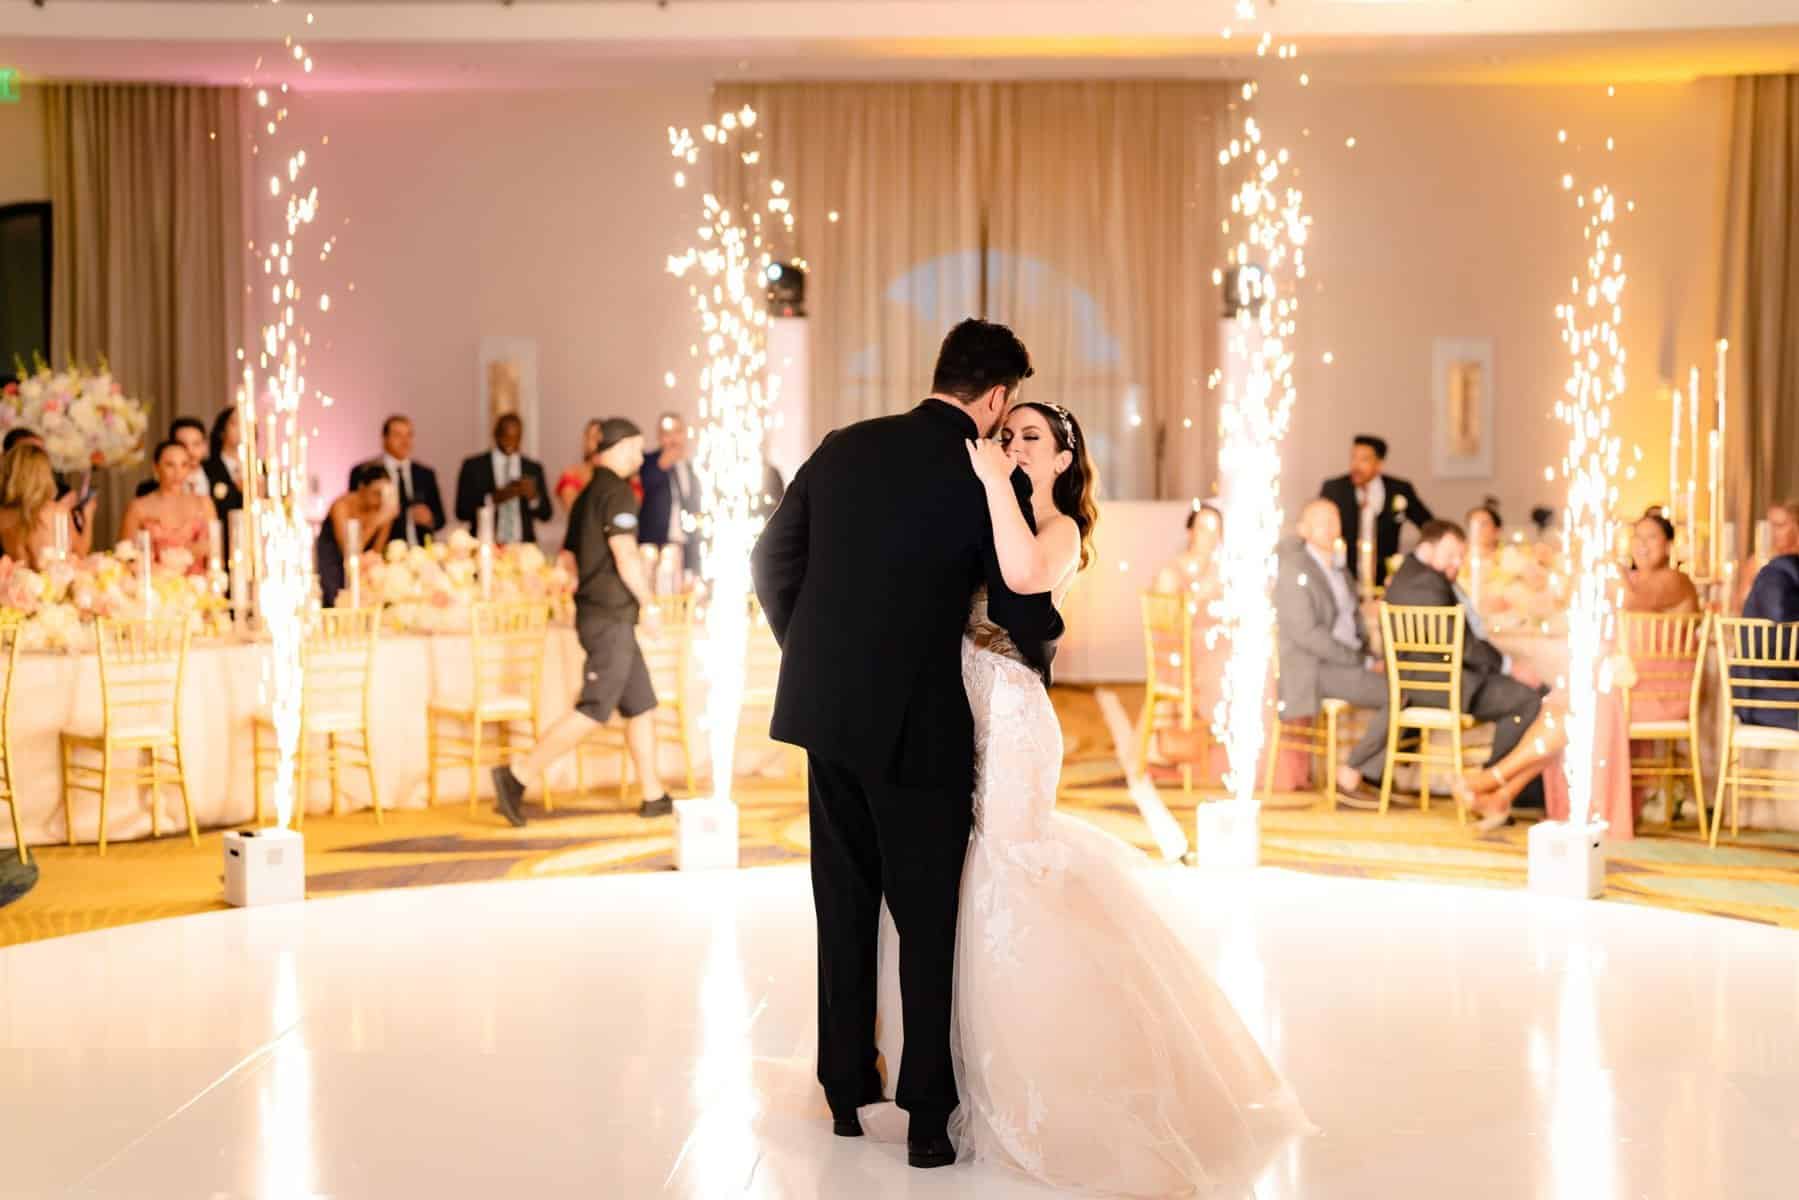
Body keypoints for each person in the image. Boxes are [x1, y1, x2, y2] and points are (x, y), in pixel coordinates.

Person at [752, 319, 1061, 1169]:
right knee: (926, 921)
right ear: (995, 397)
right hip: (918, 719)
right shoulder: (980, 473)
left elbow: (770, 559)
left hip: (824, 712)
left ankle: (846, 1090)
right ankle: (928, 1118)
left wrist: (813, 654)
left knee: (841, 902)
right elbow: (1020, 606)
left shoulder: (843, 446)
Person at [492, 418, 674, 825]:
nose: (638, 457)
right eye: (635, 448)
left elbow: (569, 558)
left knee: (640, 704)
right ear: (620, 446)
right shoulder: (619, 493)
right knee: (593, 708)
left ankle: (653, 793)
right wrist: (649, 602)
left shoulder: (589, 492)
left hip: (601, 615)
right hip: (610, 616)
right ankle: (517, 775)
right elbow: (625, 555)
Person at [1383, 520, 1547, 823]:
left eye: (1461, 555)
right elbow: (1460, 643)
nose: (1458, 563)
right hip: (1441, 684)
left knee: (1542, 695)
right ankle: (1488, 789)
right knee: (1529, 700)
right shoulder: (1425, 582)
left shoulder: (1416, 574)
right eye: (1451, 555)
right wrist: (1509, 667)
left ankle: (1519, 791)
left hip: (1446, 678)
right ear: (1427, 548)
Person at [1274, 498, 1391, 807]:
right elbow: (1307, 634)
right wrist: (1362, 661)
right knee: (1399, 694)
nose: (1330, 528)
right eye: (1321, 521)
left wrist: (1370, 657)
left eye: (1334, 520)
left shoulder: (1338, 567)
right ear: (1303, 529)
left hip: (1345, 661)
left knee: (1405, 685)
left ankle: (1364, 774)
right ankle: (1351, 773)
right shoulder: (1294, 569)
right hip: (1315, 668)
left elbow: (1351, 621)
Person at [1320, 434, 1433, 587]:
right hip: (1344, 575)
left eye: (1364, 460)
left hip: (1385, 578)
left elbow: (1429, 526)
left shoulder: (1399, 490)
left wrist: (1416, 560)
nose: (1356, 465)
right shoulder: (1334, 489)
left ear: (1379, 464)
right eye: (1353, 458)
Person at [1739, 501, 1799, 733]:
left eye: (1780, 525)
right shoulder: (1775, 574)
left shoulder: (1780, 570)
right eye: (1772, 525)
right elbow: (1784, 624)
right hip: (1767, 697)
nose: (1774, 534)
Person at [119, 440, 218, 572]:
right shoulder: (138, 507)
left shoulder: (204, 503)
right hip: (156, 587)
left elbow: (216, 555)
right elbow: (125, 558)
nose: (178, 473)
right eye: (170, 465)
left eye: (184, 465)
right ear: (156, 467)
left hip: (200, 587)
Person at [454, 413, 551, 545]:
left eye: (516, 438)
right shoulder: (474, 466)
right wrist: (491, 499)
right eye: (506, 437)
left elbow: (546, 514)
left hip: (523, 546)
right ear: (496, 435)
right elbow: (461, 511)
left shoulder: (532, 468)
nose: (510, 443)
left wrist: (533, 498)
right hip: (486, 544)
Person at [2, 428, 97, 552]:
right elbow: (80, 552)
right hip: (50, 571)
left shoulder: (3, 514)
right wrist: (88, 515)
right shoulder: (56, 512)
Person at [356, 415, 443, 548]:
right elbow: (356, 517)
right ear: (385, 439)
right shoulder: (366, 472)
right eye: (398, 435)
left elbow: (441, 519)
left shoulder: (425, 474)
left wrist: (429, 519)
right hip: (381, 550)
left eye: (409, 435)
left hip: (419, 551)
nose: (405, 441)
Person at [318, 462, 397, 607]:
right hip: (333, 561)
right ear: (362, 487)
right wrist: (376, 521)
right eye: (376, 492)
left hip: (361, 564)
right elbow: (349, 550)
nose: (380, 498)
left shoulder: (382, 509)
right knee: (336, 599)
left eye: (384, 493)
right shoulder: (341, 506)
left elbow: (375, 553)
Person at [639, 412, 701, 577]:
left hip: (686, 545)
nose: (673, 439)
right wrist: (661, 465)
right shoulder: (647, 461)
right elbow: (643, 486)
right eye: (667, 433)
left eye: (678, 432)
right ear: (659, 437)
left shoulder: (691, 468)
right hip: (654, 545)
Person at [0, 443, 68, 569]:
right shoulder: (57, 511)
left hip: (14, 585)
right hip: (51, 586)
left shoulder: (3, 514)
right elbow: (64, 559)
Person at [1623, 511, 1700, 616]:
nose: (1642, 543)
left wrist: (1613, 570)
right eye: (1637, 536)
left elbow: (1631, 603)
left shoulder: (1676, 580)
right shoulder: (1631, 578)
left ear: (1668, 545)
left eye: (1651, 537)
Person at [1153, 501, 1223, 598]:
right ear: (1191, 531)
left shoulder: (1219, 573)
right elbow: (1160, 612)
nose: (1210, 536)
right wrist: (1200, 594)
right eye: (1203, 529)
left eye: (1215, 530)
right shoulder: (1170, 575)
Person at [204, 407, 246, 562]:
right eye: (235, 423)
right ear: (222, 430)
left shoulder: (260, 469)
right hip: (221, 544)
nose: (242, 429)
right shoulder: (208, 468)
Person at [134, 417, 211, 499]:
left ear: (205, 446)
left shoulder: (219, 476)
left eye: (196, 444)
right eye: (182, 445)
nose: (190, 451)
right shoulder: (148, 490)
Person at [554, 419, 605, 513]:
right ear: (585, 440)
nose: (597, 442)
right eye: (593, 437)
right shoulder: (572, 474)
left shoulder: (621, 475)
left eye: (600, 437)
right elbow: (575, 512)